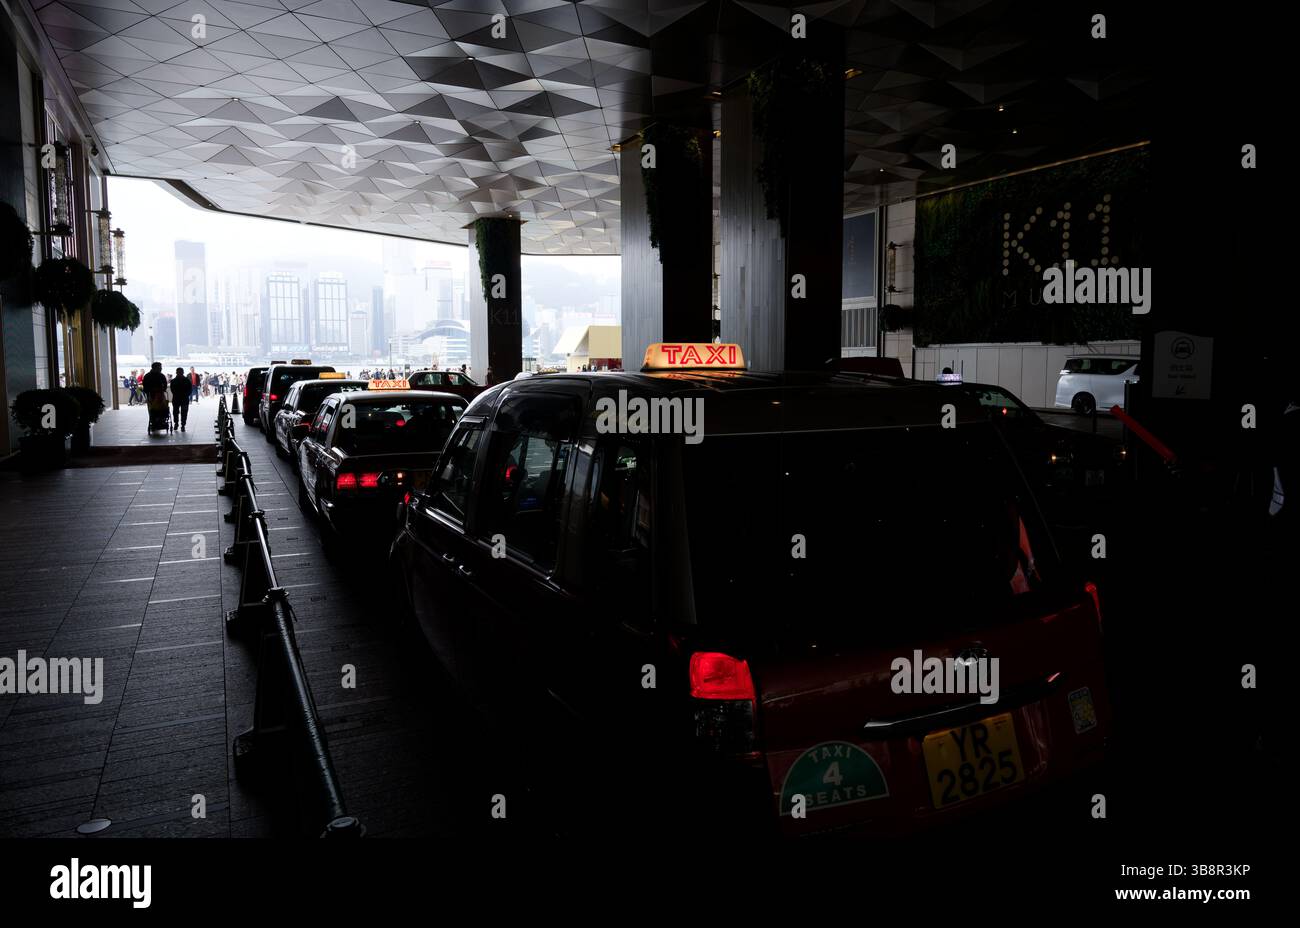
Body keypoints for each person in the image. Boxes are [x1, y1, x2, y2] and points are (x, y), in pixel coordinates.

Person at [142, 362, 168, 433]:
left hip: (158, 396)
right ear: (155, 368)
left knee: (155, 410)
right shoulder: (157, 376)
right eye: (160, 367)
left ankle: (157, 422)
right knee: (155, 410)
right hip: (152, 396)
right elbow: (145, 386)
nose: (161, 369)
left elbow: (165, 385)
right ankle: (155, 423)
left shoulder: (148, 376)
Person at [170, 366, 191, 432]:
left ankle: (180, 424)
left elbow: (172, 390)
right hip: (183, 398)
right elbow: (189, 390)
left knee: (178, 412)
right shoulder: (187, 380)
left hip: (177, 398)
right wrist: (185, 394)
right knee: (181, 412)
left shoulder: (173, 381)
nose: (179, 373)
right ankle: (181, 425)